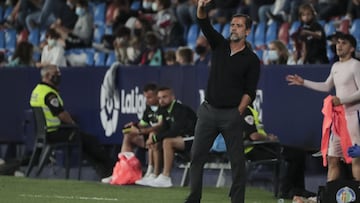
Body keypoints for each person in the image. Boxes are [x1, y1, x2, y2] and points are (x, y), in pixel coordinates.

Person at [185, 0, 261, 202]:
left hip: (231, 114)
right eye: (232, 24)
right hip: (208, 111)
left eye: (239, 25)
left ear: (248, 32)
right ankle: (193, 199)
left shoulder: (251, 59)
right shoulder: (219, 44)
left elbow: (250, 91)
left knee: (237, 162)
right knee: (196, 157)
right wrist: (202, 6)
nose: (234, 28)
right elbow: (204, 23)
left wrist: (238, 112)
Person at [286, 33, 360, 182]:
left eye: (343, 43)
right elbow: (327, 86)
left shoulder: (355, 65)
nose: (339, 45)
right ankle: (329, 194)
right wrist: (304, 82)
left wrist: (342, 100)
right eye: (338, 42)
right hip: (339, 119)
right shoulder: (336, 66)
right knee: (333, 158)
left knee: (356, 158)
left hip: (353, 116)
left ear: (352, 48)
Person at [29, 65, 114, 179]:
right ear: (47, 76)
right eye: (56, 73)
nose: (59, 75)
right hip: (55, 132)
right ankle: (109, 168)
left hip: (44, 132)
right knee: (89, 140)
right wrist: (73, 124)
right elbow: (61, 114)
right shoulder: (49, 94)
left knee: (83, 141)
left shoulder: (37, 91)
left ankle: (102, 170)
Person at [102, 83, 163, 184]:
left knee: (153, 135)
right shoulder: (148, 109)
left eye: (150, 97)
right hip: (149, 139)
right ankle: (122, 169)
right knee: (128, 135)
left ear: (157, 95)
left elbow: (160, 126)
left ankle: (151, 172)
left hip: (160, 139)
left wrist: (140, 131)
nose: (147, 100)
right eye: (146, 97)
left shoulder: (163, 108)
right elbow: (143, 123)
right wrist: (134, 125)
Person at [145, 86, 197, 188]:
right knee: (157, 138)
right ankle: (154, 174)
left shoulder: (180, 109)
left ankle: (166, 177)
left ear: (172, 97)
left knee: (167, 141)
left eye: (164, 97)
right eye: (159, 98)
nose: (161, 100)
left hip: (194, 139)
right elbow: (164, 128)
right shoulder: (164, 110)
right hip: (181, 139)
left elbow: (175, 131)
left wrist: (156, 138)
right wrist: (153, 137)